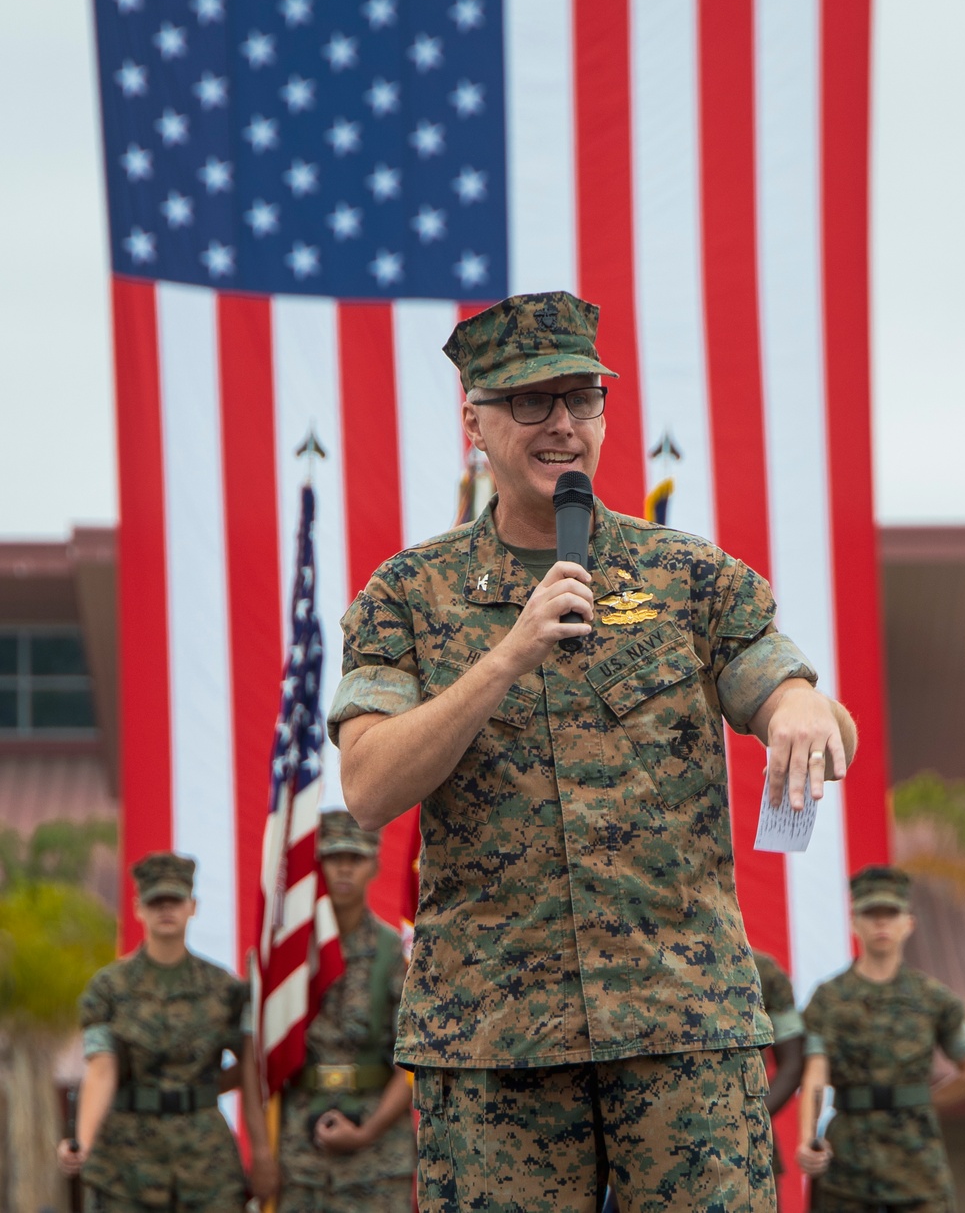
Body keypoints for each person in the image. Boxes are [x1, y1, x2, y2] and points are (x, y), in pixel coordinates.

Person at [329, 290, 857, 1213]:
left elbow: (784, 691)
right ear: (475, 422)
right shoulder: (406, 595)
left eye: (582, 398)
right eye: (531, 402)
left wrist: (803, 705)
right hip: (496, 1041)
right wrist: (509, 654)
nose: (562, 425)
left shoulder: (689, 575)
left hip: (681, 1026)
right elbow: (370, 789)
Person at [57, 851, 276, 1212]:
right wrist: (83, 1142)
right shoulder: (109, 989)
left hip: (206, 1163)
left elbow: (250, 1073)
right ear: (138, 908)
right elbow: (101, 1071)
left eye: (174, 899)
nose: (165, 909)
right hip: (127, 1164)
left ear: (193, 906)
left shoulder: (225, 990)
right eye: (154, 900)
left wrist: (263, 1153)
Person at [796, 865, 965, 1212]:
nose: (881, 923)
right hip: (848, 1166)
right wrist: (806, 1140)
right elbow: (815, 1075)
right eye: (871, 914)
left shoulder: (933, 998)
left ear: (908, 923)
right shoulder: (828, 998)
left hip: (916, 1165)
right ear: (855, 922)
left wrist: (924, 1102)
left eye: (891, 913)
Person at [278, 809, 415, 1213]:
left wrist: (365, 1132)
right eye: (333, 857)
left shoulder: (394, 955)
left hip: (377, 1151)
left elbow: (410, 1065)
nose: (343, 869)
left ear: (374, 865)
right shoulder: (291, 958)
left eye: (354, 858)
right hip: (302, 1148)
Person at [753, 951, 806, 1210]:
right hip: (651, 1149)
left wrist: (753, 1117)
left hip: (748, 1151)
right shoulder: (637, 958)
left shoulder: (761, 970)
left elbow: (793, 1064)